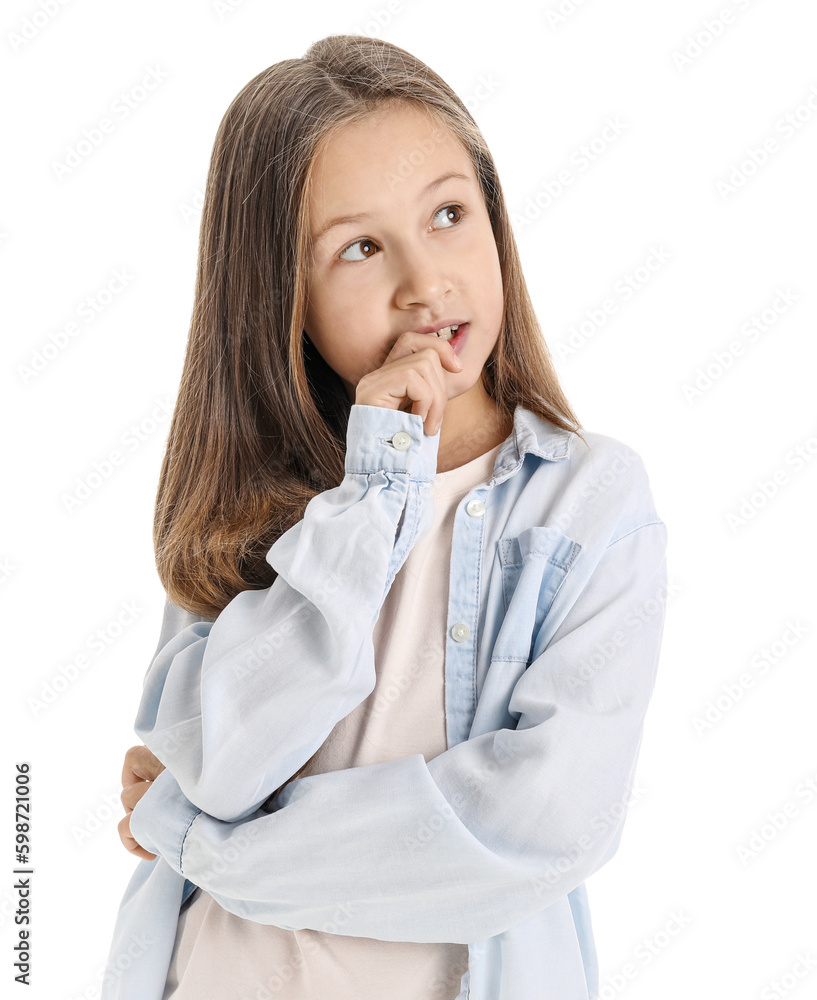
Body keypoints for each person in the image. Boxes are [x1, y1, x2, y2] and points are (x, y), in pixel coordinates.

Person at [102, 33, 668, 1000]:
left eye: (448, 214)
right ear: (282, 296)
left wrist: (200, 840)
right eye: (359, 247)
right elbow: (225, 763)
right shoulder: (253, 507)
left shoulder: (589, 502)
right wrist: (376, 488)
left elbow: (533, 826)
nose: (425, 282)